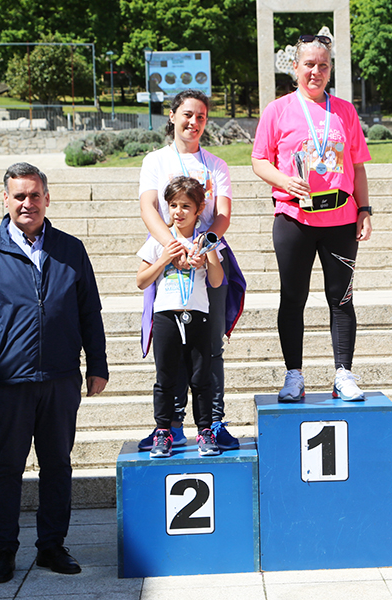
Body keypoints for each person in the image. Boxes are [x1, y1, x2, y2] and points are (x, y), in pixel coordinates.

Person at [0, 163, 108, 583]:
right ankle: (3, 550)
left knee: (57, 465)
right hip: (8, 381)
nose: (27, 203)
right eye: (19, 195)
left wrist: (97, 364)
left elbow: (88, 310)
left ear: (47, 198)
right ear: (5, 199)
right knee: (6, 468)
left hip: (61, 378)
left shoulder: (70, 248)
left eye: (34, 195)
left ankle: (52, 547)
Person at [251, 34, 372, 403]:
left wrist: (364, 209)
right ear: (295, 68)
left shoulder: (345, 112)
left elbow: (357, 166)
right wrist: (284, 180)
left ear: (330, 69)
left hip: (340, 219)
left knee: (341, 298)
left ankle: (343, 373)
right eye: (309, 64)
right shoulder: (278, 110)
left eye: (323, 65)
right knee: (293, 297)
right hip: (294, 218)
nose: (316, 71)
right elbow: (259, 160)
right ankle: (294, 375)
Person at [137, 89, 244, 453]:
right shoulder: (155, 160)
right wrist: (175, 246)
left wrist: (203, 244)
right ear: (172, 116)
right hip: (168, 254)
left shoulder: (216, 165)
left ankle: (213, 423)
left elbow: (224, 213)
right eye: (186, 115)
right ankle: (170, 426)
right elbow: (149, 207)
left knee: (210, 347)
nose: (193, 122)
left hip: (208, 257)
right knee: (170, 351)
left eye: (200, 117)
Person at [137, 177, 225, 458]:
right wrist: (163, 259)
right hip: (166, 317)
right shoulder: (158, 241)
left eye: (186, 206)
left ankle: (205, 430)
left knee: (201, 378)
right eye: (173, 205)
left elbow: (216, 282)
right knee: (165, 378)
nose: (178, 211)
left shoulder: (207, 241)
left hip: (197, 317)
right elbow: (141, 280)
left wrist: (207, 256)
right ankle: (163, 431)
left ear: (199, 209)